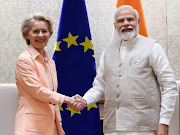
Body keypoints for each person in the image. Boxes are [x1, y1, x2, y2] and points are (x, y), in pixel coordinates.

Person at [70, 5, 178, 135]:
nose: (126, 23)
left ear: (138, 22)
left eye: (130, 19)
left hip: (145, 127)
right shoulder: (107, 52)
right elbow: (100, 86)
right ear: (115, 25)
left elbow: (169, 85)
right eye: (121, 21)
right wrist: (85, 100)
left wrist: (164, 122)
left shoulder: (153, 47)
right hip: (112, 127)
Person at [13, 13, 79, 135]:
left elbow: (51, 95)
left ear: (50, 34)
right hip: (30, 126)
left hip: (51, 125)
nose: (41, 35)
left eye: (44, 31)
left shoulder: (51, 62)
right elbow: (38, 90)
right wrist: (67, 99)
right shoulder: (24, 59)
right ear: (26, 35)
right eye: (35, 31)